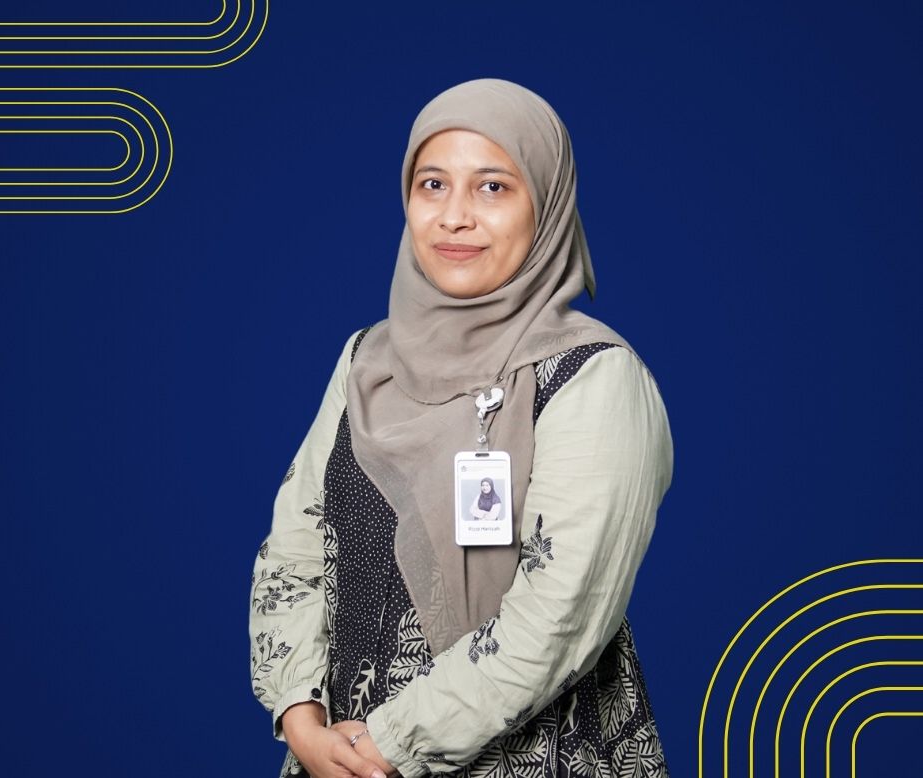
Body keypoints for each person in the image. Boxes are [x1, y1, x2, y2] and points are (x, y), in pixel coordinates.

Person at [249, 78, 674, 778]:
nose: (454, 217)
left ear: (547, 203)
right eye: (433, 185)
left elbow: (558, 618)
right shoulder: (366, 360)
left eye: (493, 188)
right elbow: (293, 552)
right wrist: (301, 719)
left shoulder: (596, 379)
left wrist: (383, 746)